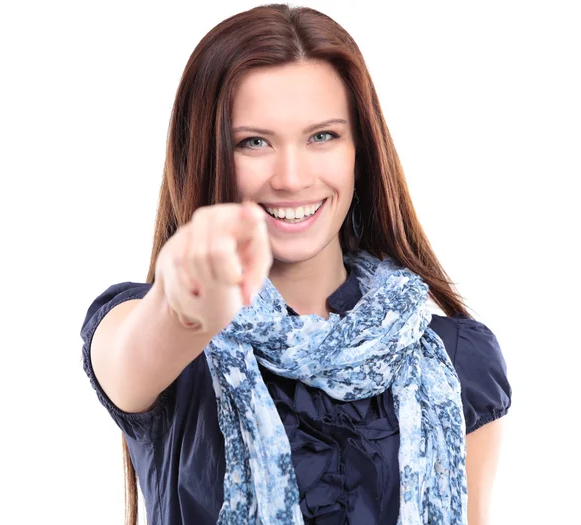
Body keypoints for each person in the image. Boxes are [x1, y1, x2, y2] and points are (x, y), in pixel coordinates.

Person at [80, 4, 512, 525]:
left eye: (322, 136)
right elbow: (137, 352)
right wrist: (186, 303)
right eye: (253, 142)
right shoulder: (157, 340)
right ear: (207, 155)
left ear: (361, 152)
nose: (290, 177)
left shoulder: (460, 360)